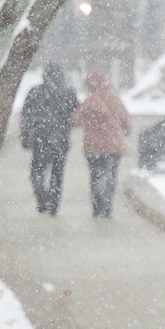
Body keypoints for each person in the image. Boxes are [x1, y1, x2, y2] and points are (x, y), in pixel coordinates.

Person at [70, 71, 133, 219]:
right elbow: (127, 121)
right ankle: (108, 207)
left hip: (94, 146)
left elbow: (75, 121)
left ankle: (98, 205)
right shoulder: (115, 100)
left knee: (96, 176)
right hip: (113, 145)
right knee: (111, 176)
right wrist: (124, 131)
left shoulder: (89, 102)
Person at [19, 63, 78, 215]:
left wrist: (26, 135)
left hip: (41, 138)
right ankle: (54, 203)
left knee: (37, 171)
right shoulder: (68, 93)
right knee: (57, 173)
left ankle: (42, 197)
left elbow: (26, 116)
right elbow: (76, 114)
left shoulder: (35, 92)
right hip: (61, 139)